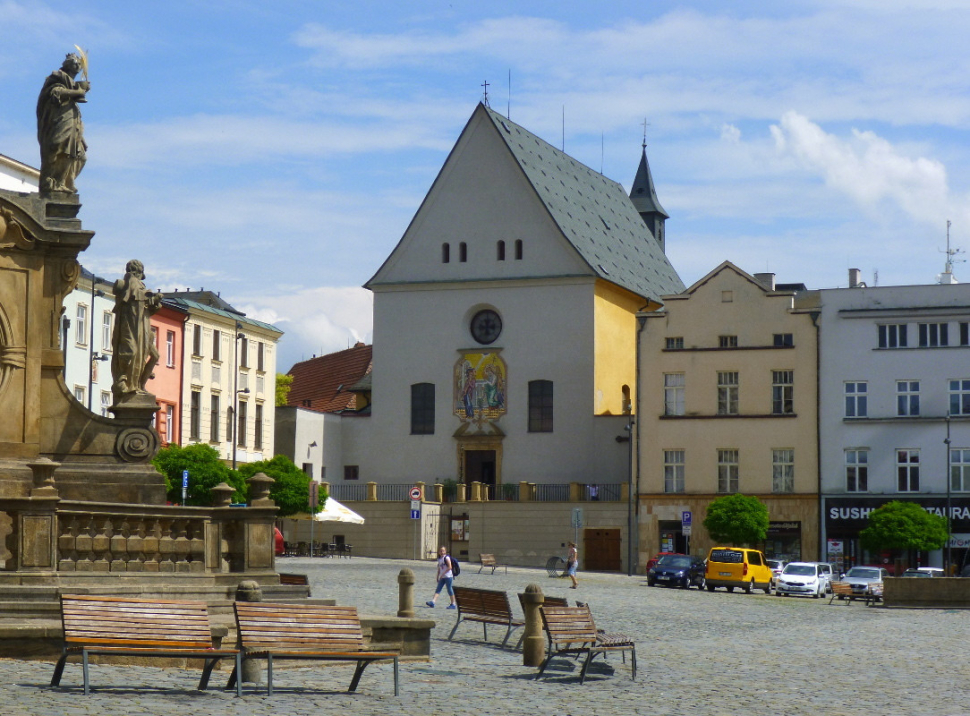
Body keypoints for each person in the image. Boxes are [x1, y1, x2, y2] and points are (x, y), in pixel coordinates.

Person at [37, 53, 89, 194]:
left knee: (78, 156)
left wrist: (81, 136)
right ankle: (50, 183)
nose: (78, 65)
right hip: (59, 121)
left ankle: (63, 182)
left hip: (72, 124)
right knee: (57, 147)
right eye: (74, 62)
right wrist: (76, 92)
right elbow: (55, 93)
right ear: (66, 64)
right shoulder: (58, 77)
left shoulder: (71, 83)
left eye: (79, 63)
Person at [111, 260, 162, 402]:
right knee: (131, 351)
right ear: (138, 271)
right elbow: (134, 297)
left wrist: (155, 303)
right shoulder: (131, 281)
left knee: (149, 354)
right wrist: (151, 298)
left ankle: (139, 384)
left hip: (142, 327)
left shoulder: (139, 285)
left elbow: (144, 305)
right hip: (131, 326)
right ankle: (125, 381)